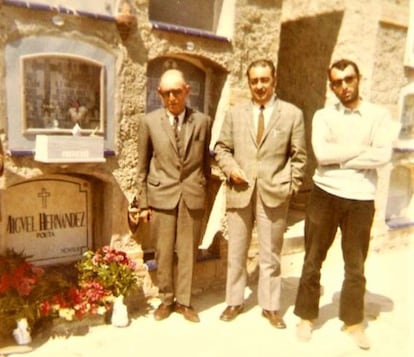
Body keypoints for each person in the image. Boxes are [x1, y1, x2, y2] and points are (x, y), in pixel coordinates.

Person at [293, 59, 394, 350]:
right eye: (337, 82)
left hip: (361, 198)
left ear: (358, 78)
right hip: (324, 193)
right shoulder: (324, 116)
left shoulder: (378, 115)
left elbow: (382, 156)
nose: (344, 86)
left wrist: (342, 157)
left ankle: (353, 322)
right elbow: (322, 155)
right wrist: (362, 150)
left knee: (355, 265)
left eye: (348, 79)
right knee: (312, 258)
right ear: (332, 86)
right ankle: (306, 317)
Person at [214, 59, 307, 329]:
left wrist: (291, 185)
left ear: (274, 80)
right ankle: (234, 300)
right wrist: (231, 170)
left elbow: (299, 157)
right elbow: (221, 148)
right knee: (236, 251)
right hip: (240, 190)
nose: (259, 86)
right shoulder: (235, 113)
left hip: (274, 192)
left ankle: (270, 306)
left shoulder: (292, 114)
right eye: (254, 81)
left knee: (271, 254)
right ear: (249, 83)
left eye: (264, 80)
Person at [136, 69, 211, 323]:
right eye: (166, 93)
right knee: (163, 251)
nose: (172, 98)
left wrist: (204, 194)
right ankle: (166, 299)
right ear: (159, 94)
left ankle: (184, 302)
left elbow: (205, 165)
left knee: (188, 251)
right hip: (161, 196)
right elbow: (142, 167)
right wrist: (144, 203)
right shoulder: (149, 122)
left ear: (187, 91)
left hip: (191, 195)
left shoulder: (202, 121)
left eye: (177, 92)